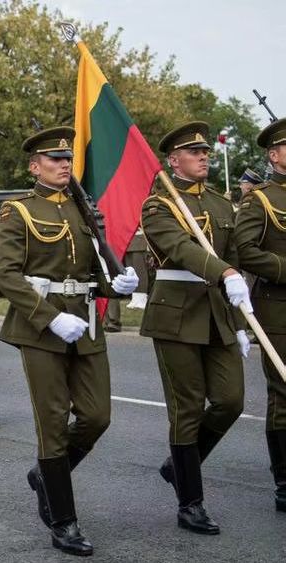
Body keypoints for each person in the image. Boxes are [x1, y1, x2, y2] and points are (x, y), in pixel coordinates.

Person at [0, 126, 140, 556]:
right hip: (43, 330)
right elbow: (6, 275)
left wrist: (119, 285)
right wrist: (49, 318)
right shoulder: (17, 211)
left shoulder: (83, 210)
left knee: (97, 417)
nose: (63, 165)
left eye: (67, 159)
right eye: (54, 160)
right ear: (34, 166)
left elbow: (95, 271)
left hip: (85, 326)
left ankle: (45, 476)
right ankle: (64, 520)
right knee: (53, 423)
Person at [141, 121, 250, 533]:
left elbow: (236, 256)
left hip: (218, 312)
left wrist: (239, 320)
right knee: (186, 408)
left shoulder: (223, 205)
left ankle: (179, 466)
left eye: (205, 151)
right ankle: (191, 501)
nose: (204, 156)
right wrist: (224, 272)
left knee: (230, 400)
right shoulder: (158, 206)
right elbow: (183, 250)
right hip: (177, 314)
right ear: (174, 161)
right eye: (194, 152)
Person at [234, 117, 286, 512]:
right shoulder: (260, 198)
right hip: (278, 304)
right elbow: (245, 250)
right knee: (284, 391)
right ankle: (284, 481)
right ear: (274, 155)